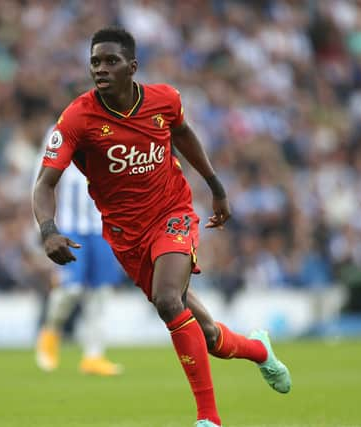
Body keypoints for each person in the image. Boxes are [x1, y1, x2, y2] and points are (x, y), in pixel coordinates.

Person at [32, 27, 291, 427]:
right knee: (207, 335)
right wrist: (48, 230)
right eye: (95, 61)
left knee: (168, 301)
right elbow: (44, 183)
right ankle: (259, 350)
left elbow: (184, 135)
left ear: (132, 67)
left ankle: (209, 419)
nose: (101, 69)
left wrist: (216, 185)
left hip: (173, 214)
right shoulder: (78, 118)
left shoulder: (164, 100)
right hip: (125, 236)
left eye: (111, 61)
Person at [34, 127, 124, 377]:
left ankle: (93, 357)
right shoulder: (60, 133)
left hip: (104, 227)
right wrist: (43, 227)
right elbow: (40, 180)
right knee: (71, 289)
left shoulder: (115, 131)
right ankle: (50, 331)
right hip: (71, 227)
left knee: (101, 293)